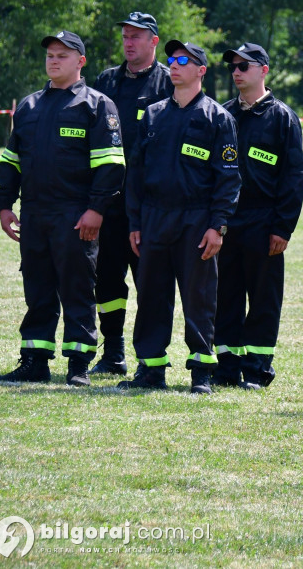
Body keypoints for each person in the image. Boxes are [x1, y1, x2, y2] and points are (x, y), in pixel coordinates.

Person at [0, 31, 125, 386]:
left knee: (78, 288)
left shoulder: (97, 106)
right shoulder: (30, 106)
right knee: (37, 289)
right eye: (50, 54)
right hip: (34, 215)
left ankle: (78, 364)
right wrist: (5, 205)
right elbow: (10, 161)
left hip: (75, 215)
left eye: (62, 55)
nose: (53, 60)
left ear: (81, 62)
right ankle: (34, 361)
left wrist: (96, 210)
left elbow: (111, 165)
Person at [118, 41, 241, 394]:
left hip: (197, 219)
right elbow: (136, 174)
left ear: (201, 70)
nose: (174, 65)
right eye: (171, 59)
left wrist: (217, 225)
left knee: (198, 297)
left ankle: (201, 370)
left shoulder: (218, 118)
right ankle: (151, 368)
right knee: (152, 296)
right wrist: (136, 223)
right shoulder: (153, 114)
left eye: (184, 60)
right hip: (155, 218)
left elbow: (228, 177)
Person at [214, 43, 303, 389]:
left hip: (264, 222)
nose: (236, 71)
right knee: (226, 297)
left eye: (244, 65)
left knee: (264, 299)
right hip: (227, 220)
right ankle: (225, 368)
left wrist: (283, 227)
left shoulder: (282, 118)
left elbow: (293, 178)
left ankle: (256, 369)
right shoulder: (223, 114)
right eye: (232, 66)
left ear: (264, 70)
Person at [89, 11, 174, 376]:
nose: (129, 41)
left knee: (150, 283)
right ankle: (114, 353)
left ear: (153, 41)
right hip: (109, 202)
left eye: (137, 36)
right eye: (125, 35)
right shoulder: (107, 80)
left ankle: (150, 360)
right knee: (107, 280)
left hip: (150, 206)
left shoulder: (169, 83)